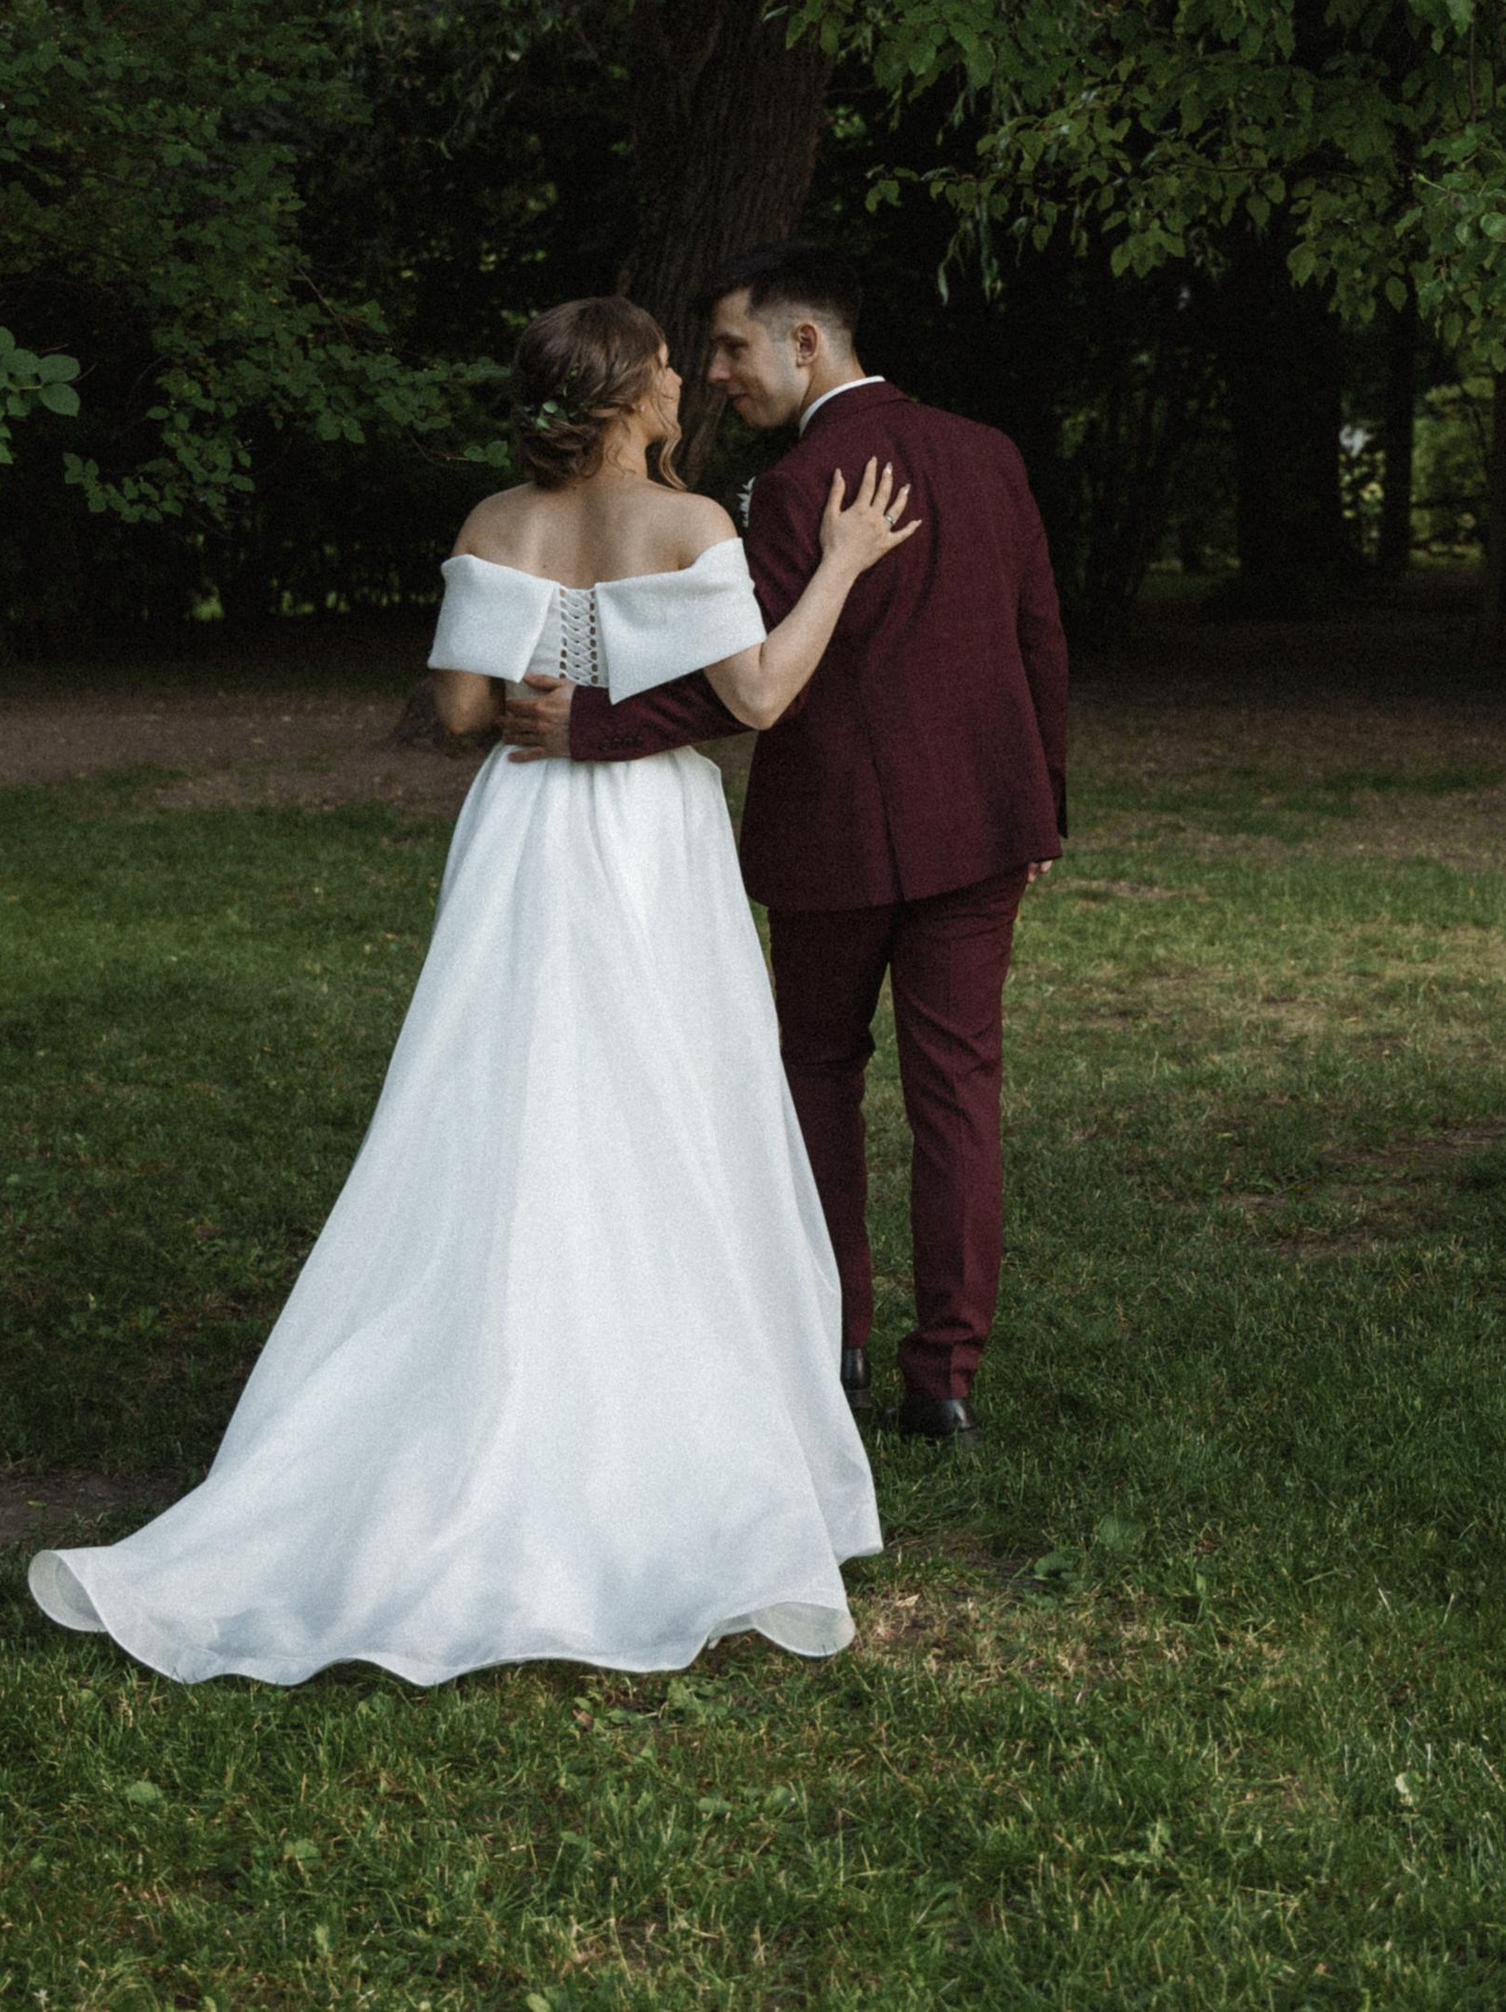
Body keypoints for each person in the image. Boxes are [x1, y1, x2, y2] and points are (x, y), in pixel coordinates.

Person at [28, 296, 917, 1685]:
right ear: (629, 394)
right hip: (645, 833)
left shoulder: (496, 521)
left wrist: (551, 666)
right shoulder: (693, 529)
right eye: (672, 368)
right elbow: (756, 698)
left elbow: (456, 713)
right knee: (668, 1097)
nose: (688, 379)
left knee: (503, 1088)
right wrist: (845, 565)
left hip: (522, 831)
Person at [502, 242, 1068, 1450]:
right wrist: (1043, 807)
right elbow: (1038, 643)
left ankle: (833, 1341)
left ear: (804, 342)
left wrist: (588, 725)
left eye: (730, 346)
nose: (713, 375)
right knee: (958, 1092)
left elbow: (745, 685)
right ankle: (948, 1377)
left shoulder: (796, 482)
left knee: (814, 1077)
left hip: (836, 838)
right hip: (983, 826)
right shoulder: (987, 453)